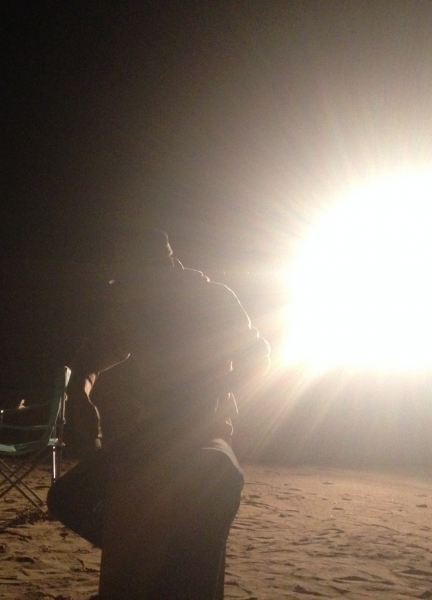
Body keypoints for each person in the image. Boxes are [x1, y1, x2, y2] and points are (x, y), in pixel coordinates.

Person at [48, 225, 270, 599]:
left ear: (163, 266)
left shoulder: (212, 297)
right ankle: (145, 554)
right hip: (154, 431)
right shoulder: (134, 305)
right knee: (67, 498)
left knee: (216, 485)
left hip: (205, 430)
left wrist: (217, 390)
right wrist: (79, 395)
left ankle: (152, 559)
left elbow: (259, 355)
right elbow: (89, 362)